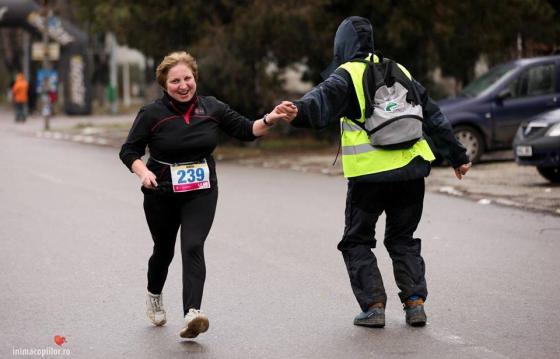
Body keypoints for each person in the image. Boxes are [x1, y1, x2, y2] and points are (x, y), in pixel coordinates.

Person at [279, 16, 471, 328]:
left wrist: (297, 110)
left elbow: (320, 100)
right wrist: (457, 156)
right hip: (412, 171)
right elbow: (433, 115)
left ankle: (373, 306)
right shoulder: (401, 70)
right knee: (403, 238)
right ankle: (415, 303)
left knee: (357, 240)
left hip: (370, 177)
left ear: (342, 45)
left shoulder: (348, 74)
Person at [119, 51, 295, 339]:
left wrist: (271, 117)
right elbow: (128, 151)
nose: (183, 85)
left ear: (195, 79)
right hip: (160, 192)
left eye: (187, 78)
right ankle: (154, 294)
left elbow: (247, 130)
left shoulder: (212, 108)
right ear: (165, 84)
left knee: (192, 246)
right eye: (175, 81)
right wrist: (142, 172)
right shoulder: (152, 114)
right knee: (163, 251)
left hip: (201, 190)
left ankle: (192, 313)